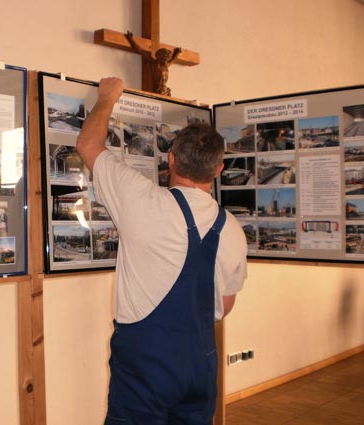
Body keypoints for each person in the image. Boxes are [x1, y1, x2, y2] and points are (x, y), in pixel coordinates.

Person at [76, 77, 248, 425]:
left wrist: (108, 96)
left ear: (171, 159)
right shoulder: (232, 228)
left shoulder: (141, 199)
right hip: (200, 363)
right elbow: (225, 305)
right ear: (218, 170)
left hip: (145, 365)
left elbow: (88, 144)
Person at [126, 31, 182, 96]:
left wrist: (177, 52)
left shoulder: (167, 65)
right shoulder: (155, 64)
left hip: (166, 90)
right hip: (158, 91)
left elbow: (173, 59)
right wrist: (131, 39)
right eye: (165, 57)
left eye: (167, 58)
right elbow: (140, 50)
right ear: (160, 57)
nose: (167, 59)